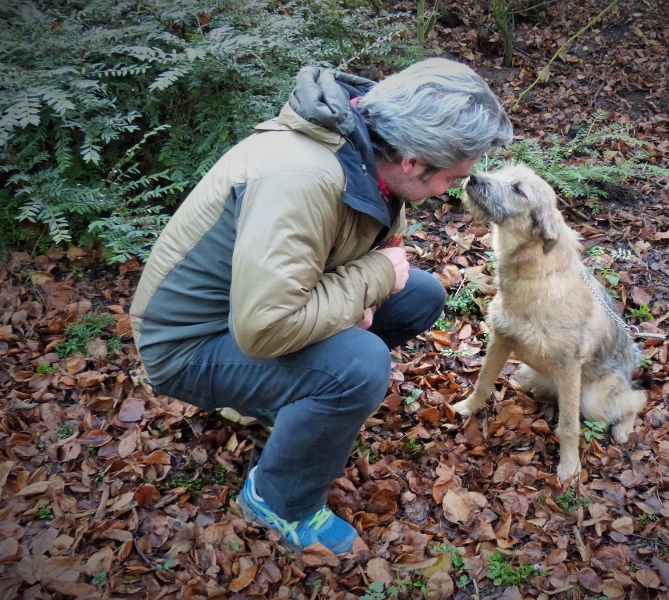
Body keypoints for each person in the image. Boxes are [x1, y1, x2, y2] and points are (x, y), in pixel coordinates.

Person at [130, 58, 512, 554]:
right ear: (414, 161)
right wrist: (369, 281)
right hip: (189, 346)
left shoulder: (369, 145)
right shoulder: (303, 177)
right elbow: (265, 328)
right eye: (451, 178)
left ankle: (285, 402)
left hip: (248, 311)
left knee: (419, 294)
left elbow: (373, 245)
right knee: (358, 364)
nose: (448, 192)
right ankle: (278, 502)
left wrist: (367, 287)